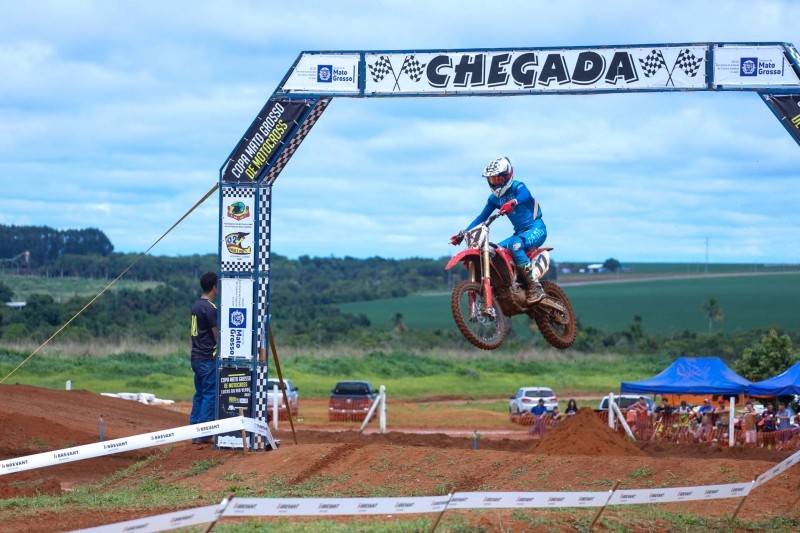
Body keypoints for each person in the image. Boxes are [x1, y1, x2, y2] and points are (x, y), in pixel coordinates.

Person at [450, 156, 547, 304]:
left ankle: (535, 287)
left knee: (515, 246)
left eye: (497, 179)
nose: (494, 184)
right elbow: (481, 217)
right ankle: (507, 286)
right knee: (493, 252)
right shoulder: (493, 199)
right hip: (520, 233)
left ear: (507, 176)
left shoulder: (518, 186)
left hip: (536, 228)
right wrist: (463, 234)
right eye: (491, 180)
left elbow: (524, 195)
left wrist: (513, 202)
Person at [189, 271, 219, 444]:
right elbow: (217, 336)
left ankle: (194, 429)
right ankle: (203, 433)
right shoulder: (210, 308)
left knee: (199, 394)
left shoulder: (196, 306)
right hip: (208, 358)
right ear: (214, 286)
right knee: (209, 394)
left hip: (196, 357)